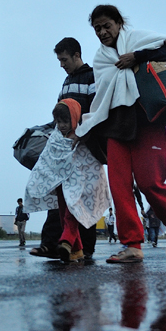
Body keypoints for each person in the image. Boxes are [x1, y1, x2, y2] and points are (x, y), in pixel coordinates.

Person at [75, 5, 166, 263]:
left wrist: (137, 56)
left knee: (149, 183)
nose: (102, 32)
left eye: (107, 26)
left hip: (148, 120)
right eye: (97, 29)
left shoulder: (138, 39)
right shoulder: (100, 59)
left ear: (119, 23)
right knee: (120, 187)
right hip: (117, 125)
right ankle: (132, 245)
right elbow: (102, 96)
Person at [30, 38, 100, 260]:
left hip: (85, 146)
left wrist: (83, 135)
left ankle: (84, 248)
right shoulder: (67, 81)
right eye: (59, 60)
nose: (61, 64)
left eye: (64, 59)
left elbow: (96, 111)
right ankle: (52, 243)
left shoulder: (92, 77)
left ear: (76, 55)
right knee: (59, 194)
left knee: (83, 197)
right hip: (64, 145)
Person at [24, 99, 110, 263]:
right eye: (59, 121)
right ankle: (76, 250)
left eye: (65, 121)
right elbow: (46, 160)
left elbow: (90, 163)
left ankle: (66, 240)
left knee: (72, 211)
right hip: (60, 184)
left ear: (75, 117)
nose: (62, 125)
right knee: (63, 214)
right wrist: (42, 178)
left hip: (78, 184)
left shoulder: (83, 136)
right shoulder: (55, 137)